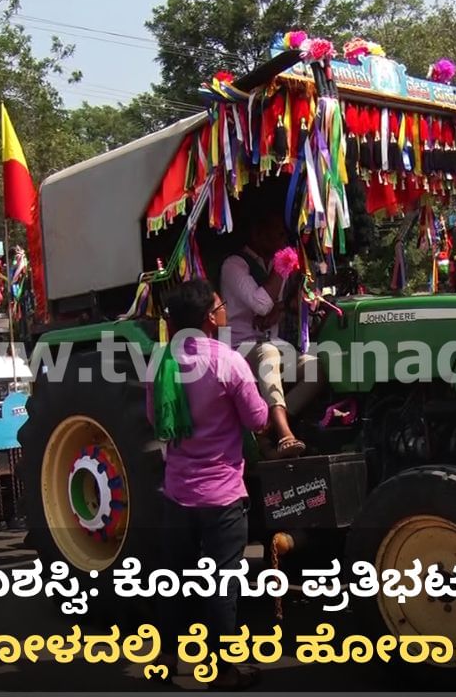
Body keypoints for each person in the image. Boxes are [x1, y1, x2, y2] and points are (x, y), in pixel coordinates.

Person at [146, 279, 268, 690]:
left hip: (177, 492)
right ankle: (223, 669)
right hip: (222, 496)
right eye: (218, 307)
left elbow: (155, 419)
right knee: (222, 585)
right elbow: (257, 419)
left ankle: (167, 660)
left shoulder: (160, 363)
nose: (222, 312)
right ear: (207, 320)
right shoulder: (228, 362)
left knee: (174, 581)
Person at [219, 211, 322, 457]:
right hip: (239, 348)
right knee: (269, 353)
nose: (282, 239)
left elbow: (279, 306)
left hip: (270, 343)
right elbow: (262, 305)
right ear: (257, 234)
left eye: (282, 234)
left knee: (315, 367)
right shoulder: (234, 265)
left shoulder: (276, 265)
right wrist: (282, 266)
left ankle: (266, 428)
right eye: (276, 233)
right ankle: (285, 433)